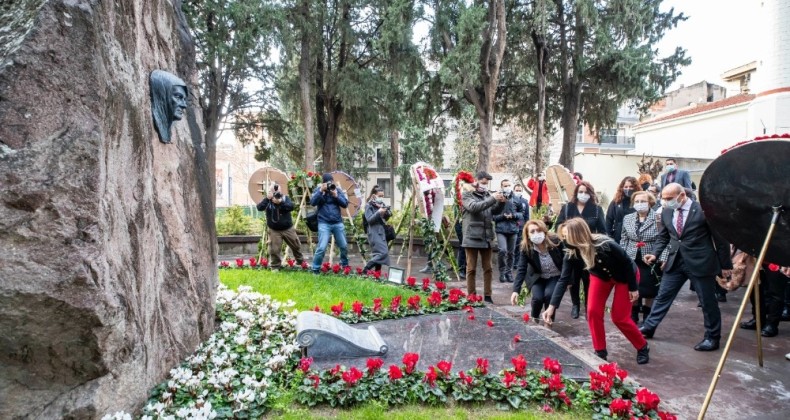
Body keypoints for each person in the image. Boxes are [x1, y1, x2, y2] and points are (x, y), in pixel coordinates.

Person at [639, 183, 733, 351]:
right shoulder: (667, 211)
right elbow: (664, 237)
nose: (666, 202)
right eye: (664, 199)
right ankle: (649, 327)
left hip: (700, 262)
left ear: (682, 196)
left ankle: (712, 337)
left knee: (707, 302)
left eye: (669, 199)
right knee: (663, 296)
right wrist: (655, 254)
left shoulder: (704, 210)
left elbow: (721, 240)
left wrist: (725, 265)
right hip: (675, 262)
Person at [542, 218, 650, 364]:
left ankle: (642, 346)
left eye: (567, 236)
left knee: (619, 317)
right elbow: (563, 279)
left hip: (625, 276)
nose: (565, 240)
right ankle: (600, 351)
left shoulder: (605, 244)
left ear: (578, 234)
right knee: (592, 311)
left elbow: (626, 263)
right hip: (600, 276)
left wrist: (633, 288)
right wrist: (551, 307)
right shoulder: (571, 252)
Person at [555, 180, 606, 319]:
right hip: (571, 249)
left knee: (588, 279)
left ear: (591, 194)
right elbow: (558, 226)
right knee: (573, 279)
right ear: (576, 193)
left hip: (589, 250)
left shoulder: (596, 209)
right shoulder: (567, 208)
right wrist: (566, 237)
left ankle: (588, 306)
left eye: (586, 192)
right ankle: (575, 305)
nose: (583, 195)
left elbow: (602, 230)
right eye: (580, 192)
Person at [619, 191, 665, 325]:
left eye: (643, 201)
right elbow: (624, 238)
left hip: (650, 257)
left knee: (649, 289)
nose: (640, 204)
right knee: (633, 286)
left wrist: (663, 257)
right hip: (631, 257)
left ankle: (647, 314)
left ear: (650, 202)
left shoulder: (658, 218)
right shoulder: (628, 218)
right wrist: (622, 256)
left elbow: (664, 239)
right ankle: (633, 313)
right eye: (637, 201)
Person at [461, 171, 506, 303]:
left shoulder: (487, 195)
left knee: (488, 268)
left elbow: (493, 211)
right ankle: (471, 295)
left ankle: (487, 295)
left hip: (486, 237)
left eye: (487, 183)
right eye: (483, 183)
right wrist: (492, 198)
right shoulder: (467, 194)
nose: (485, 186)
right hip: (472, 237)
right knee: (471, 268)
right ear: (476, 181)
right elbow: (474, 207)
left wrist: (501, 202)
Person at [512, 220, 564, 324]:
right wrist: (515, 290)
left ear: (544, 231)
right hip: (537, 277)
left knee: (549, 295)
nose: (536, 234)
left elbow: (567, 262)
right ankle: (534, 319)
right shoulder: (526, 247)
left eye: (538, 230)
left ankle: (549, 320)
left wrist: (569, 281)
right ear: (527, 234)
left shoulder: (555, 241)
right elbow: (521, 268)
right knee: (537, 298)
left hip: (555, 275)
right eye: (532, 231)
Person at [256, 184, 304, 269]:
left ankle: (300, 262)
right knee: (274, 249)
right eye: (273, 191)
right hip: (274, 230)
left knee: (296, 245)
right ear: (270, 191)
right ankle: (275, 267)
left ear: (281, 191)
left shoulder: (285, 198)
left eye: (277, 191)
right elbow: (259, 207)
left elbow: (291, 207)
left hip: (288, 228)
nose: (276, 193)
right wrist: (267, 198)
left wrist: (281, 202)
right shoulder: (267, 200)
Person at [310, 173, 350, 273]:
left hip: (337, 222)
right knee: (322, 247)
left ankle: (344, 265)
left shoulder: (337, 190)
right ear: (323, 183)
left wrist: (336, 196)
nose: (329, 185)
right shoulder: (318, 190)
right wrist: (320, 191)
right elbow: (312, 202)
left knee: (344, 246)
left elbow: (345, 204)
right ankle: (315, 268)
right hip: (324, 223)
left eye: (331, 182)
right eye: (327, 183)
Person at [739, 262, 789, 337]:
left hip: (777, 258)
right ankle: (758, 319)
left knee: (776, 291)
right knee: (755, 287)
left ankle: (772, 324)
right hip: (756, 257)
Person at [494, 179, 524, 283]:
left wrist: (513, 215)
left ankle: (509, 272)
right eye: (505, 185)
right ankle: (502, 272)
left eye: (508, 185)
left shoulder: (516, 198)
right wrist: (502, 216)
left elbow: (521, 213)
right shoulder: (497, 198)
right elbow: (493, 216)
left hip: (513, 229)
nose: (507, 187)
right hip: (501, 229)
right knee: (502, 250)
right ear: (501, 187)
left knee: (511, 253)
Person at [362, 186, 392, 273]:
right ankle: (365, 269)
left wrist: (387, 212)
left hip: (381, 232)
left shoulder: (381, 204)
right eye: (380, 196)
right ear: (374, 195)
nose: (381, 198)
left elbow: (385, 219)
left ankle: (377, 274)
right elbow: (370, 220)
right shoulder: (369, 205)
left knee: (378, 253)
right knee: (383, 253)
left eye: (383, 196)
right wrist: (379, 212)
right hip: (374, 232)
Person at [606, 176, 641, 244]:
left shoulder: (639, 201)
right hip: (618, 235)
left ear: (635, 187)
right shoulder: (616, 201)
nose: (628, 189)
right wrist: (608, 236)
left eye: (631, 186)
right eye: (626, 187)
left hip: (635, 236)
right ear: (622, 188)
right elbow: (609, 219)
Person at [511, 184, 530, 272]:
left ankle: (516, 263)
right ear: (514, 190)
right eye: (516, 190)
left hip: (521, 226)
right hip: (512, 225)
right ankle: (510, 263)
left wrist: (527, 226)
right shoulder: (511, 200)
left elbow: (526, 215)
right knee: (512, 245)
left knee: (519, 245)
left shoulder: (525, 201)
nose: (518, 192)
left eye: (519, 190)